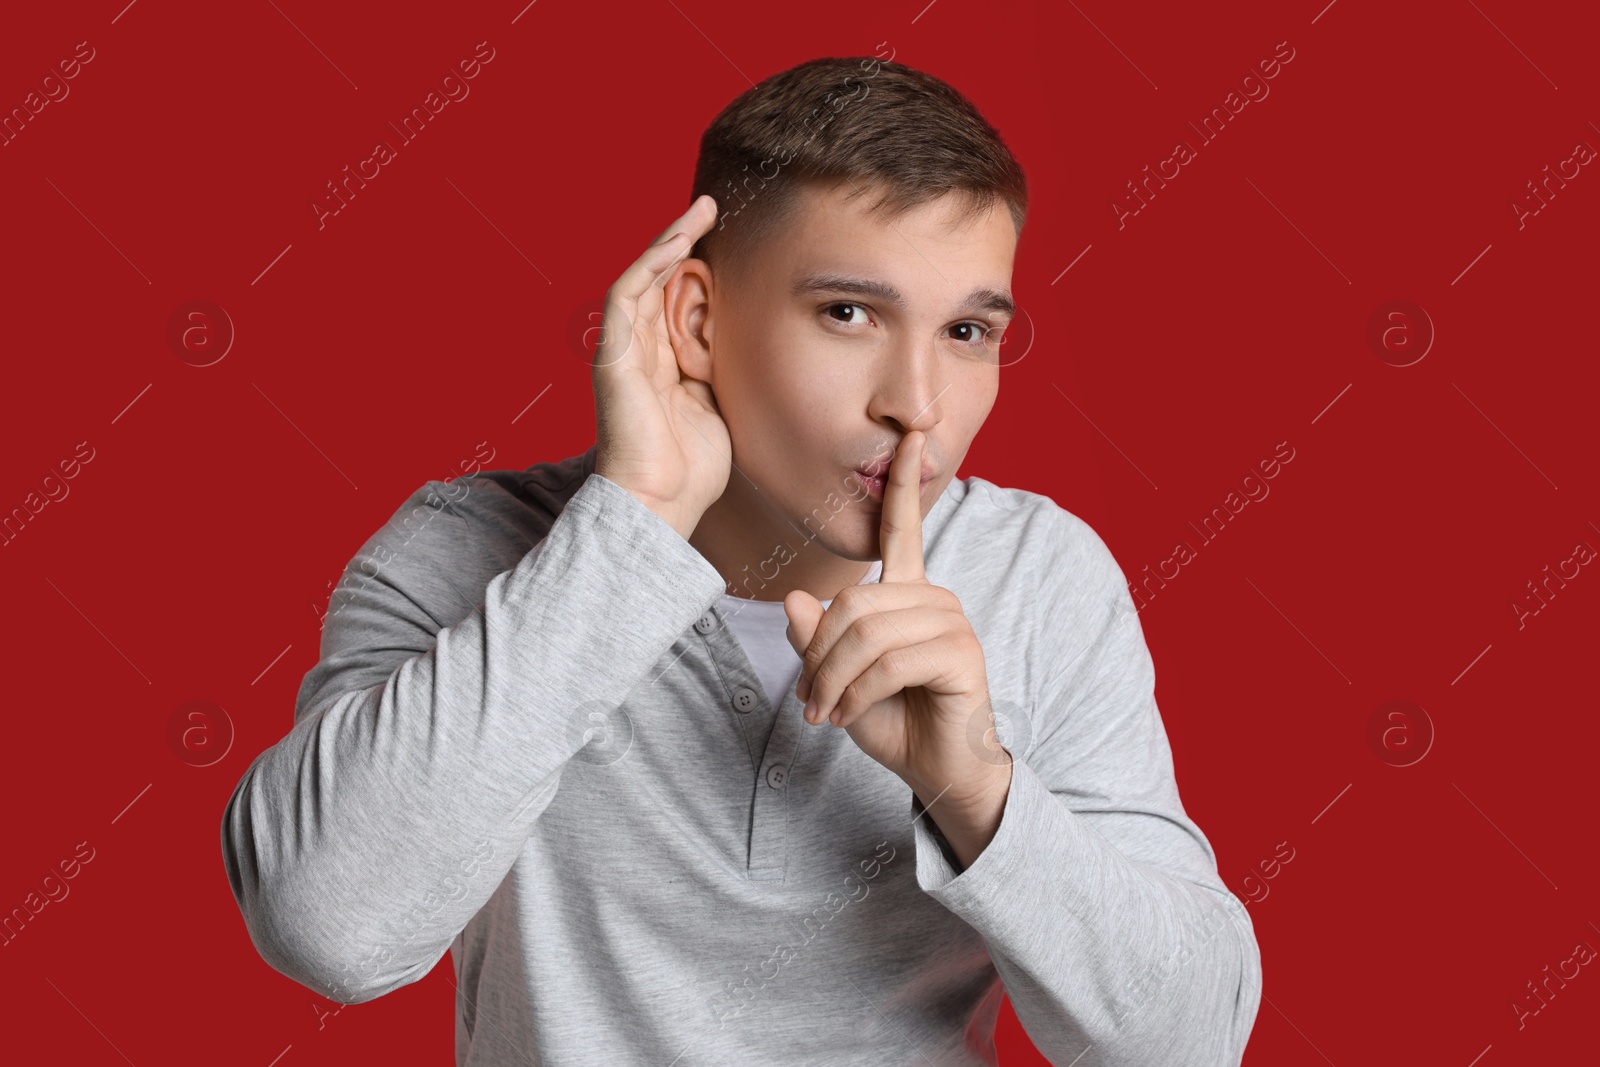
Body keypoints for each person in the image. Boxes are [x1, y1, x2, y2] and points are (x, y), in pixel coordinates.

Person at [220, 55, 1262, 1066]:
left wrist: (974, 786)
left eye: (965, 329)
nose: (917, 401)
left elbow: (1189, 1040)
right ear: (697, 320)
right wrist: (633, 523)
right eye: (847, 313)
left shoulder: (1040, 574)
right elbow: (330, 933)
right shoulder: (463, 546)